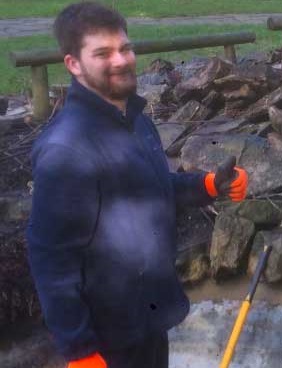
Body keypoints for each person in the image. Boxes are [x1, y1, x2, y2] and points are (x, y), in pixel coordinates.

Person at [25, 2, 247, 367]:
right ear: (73, 64)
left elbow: (151, 188)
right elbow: (51, 258)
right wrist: (79, 351)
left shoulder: (134, 119)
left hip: (148, 322)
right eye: (103, 53)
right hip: (109, 342)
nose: (121, 60)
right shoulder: (67, 148)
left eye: (125, 48)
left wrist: (209, 185)